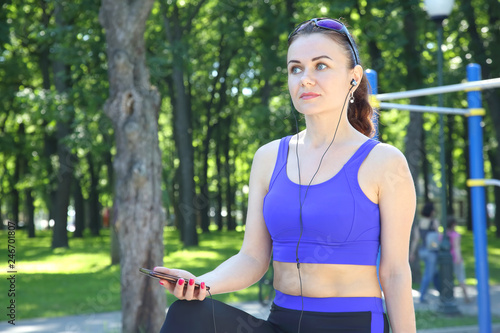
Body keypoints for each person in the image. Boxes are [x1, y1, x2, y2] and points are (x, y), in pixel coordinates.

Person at [156, 17, 416, 332]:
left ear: (353, 77)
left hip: (351, 324)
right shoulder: (268, 158)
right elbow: (252, 258)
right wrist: (200, 284)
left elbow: (395, 272)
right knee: (188, 315)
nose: (305, 79)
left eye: (321, 66)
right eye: (296, 68)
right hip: (281, 321)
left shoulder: (384, 162)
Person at [409, 202, 440, 303]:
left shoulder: (419, 223)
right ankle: (422, 296)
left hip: (422, 251)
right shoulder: (434, 222)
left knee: (435, 272)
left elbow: (416, 240)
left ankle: (442, 292)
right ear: (431, 212)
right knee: (428, 274)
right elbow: (439, 236)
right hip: (431, 252)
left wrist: (412, 253)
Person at [446, 216, 470, 303]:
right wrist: (459, 259)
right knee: (461, 278)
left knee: (448, 278)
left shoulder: (444, 234)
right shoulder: (455, 235)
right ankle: (466, 297)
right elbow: (456, 247)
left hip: (447, 259)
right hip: (455, 258)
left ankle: (449, 297)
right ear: (453, 224)